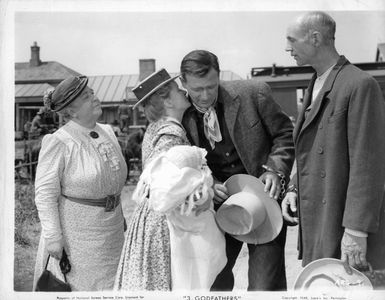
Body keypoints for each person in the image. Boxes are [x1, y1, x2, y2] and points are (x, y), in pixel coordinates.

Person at [180, 50, 295, 291]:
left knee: (264, 287)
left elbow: (284, 135)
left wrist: (275, 169)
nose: (204, 95)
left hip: (263, 204)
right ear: (183, 83)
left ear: (219, 76)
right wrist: (206, 183)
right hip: (217, 208)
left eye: (211, 87)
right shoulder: (180, 113)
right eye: (197, 89)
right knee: (213, 283)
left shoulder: (254, 93)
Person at [282, 11, 385, 273]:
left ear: (315, 38)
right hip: (321, 220)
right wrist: (294, 187)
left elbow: (368, 163)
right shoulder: (317, 81)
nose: (287, 48)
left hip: (341, 223)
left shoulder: (360, 84)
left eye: (292, 40)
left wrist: (356, 229)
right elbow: (312, 151)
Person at [114, 69, 226, 291]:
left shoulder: (157, 127)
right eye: (176, 89)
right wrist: (207, 193)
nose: (183, 90)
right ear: (166, 100)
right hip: (163, 221)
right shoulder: (171, 133)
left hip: (149, 216)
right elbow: (167, 188)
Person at [33, 76, 127, 291]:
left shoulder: (108, 132)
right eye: (86, 97)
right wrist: (53, 237)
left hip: (111, 230)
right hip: (78, 235)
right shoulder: (59, 141)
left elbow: (113, 181)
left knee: (114, 285)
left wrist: (120, 215)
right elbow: (45, 194)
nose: (94, 98)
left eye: (92, 93)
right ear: (72, 111)